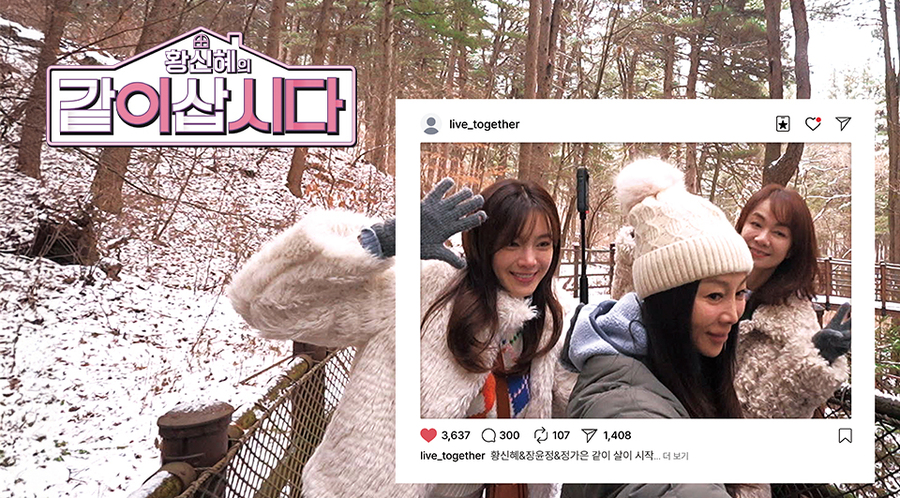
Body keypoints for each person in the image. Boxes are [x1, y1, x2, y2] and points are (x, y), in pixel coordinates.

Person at [227, 178, 576, 498]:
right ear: (483, 244)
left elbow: (573, 402)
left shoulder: (546, 319)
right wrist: (382, 241)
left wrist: (604, 347)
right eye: (512, 243)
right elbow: (263, 305)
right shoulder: (423, 291)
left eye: (543, 244)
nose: (529, 260)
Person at [561, 158, 753, 498]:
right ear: (669, 302)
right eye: (714, 295)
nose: (732, 315)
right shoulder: (625, 406)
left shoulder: (681, 365)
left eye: (739, 293)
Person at [733, 184, 850, 419]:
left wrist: (817, 359)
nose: (762, 238)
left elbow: (771, 413)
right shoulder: (700, 281)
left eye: (779, 233)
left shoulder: (795, 323)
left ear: (791, 249)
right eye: (756, 224)